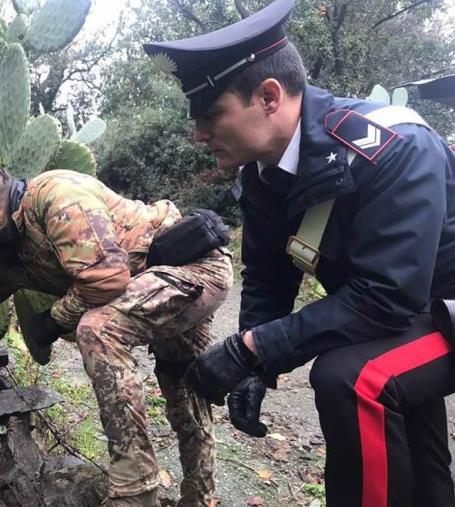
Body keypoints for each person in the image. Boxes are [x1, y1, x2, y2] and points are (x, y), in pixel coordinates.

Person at [143, 0, 455, 506]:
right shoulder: (262, 174)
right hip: (409, 312)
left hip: (436, 305)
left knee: (355, 377)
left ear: (268, 96)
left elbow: (386, 297)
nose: (197, 134)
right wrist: (255, 366)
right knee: (387, 392)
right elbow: (268, 272)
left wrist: (251, 349)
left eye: (210, 113)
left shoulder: (394, 145)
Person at [0, 156, 233, 507]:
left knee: (99, 329)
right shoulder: (9, 247)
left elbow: (107, 280)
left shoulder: (57, 195)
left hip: (194, 270)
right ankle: (200, 499)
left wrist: (52, 321)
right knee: (183, 387)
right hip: (153, 289)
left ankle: (135, 493)